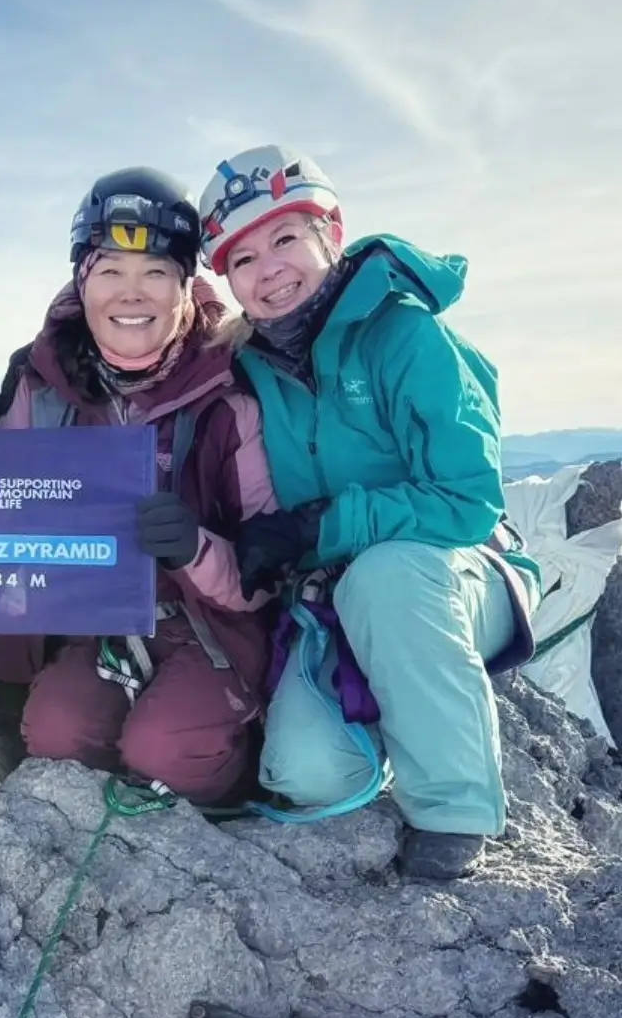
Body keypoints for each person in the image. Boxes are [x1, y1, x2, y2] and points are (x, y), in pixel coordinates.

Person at [0, 168, 278, 805]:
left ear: (186, 286)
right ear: (82, 279)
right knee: (56, 733)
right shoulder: (44, 391)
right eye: (110, 272)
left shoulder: (231, 393)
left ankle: (231, 796)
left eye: (155, 272)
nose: (132, 294)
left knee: (167, 750)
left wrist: (195, 549)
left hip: (213, 628)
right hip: (100, 632)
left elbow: (268, 571)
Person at [199, 145, 539, 878]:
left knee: (387, 579)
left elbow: (469, 500)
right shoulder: (252, 366)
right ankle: (398, 710)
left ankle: (452, 812)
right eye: (242, 260)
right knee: (308, 773)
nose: (270, 271)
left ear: (332, 232)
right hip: (337, 597)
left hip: (454, 573)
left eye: (286, 239)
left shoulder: (407, 334)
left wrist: (324, 526)